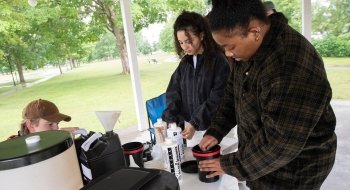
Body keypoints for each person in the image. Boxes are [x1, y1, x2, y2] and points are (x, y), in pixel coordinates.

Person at [198, 0, 337, 189]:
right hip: (262, 161)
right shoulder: (246, 50)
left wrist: (230, 164)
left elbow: (280, 142)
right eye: (223, 48)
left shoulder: (289, 63)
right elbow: (234, 92)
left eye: (230, 47)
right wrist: (217, 130)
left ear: (254, 32)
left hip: (296, 170)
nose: (228, 54)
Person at [162, 11, 230, 141]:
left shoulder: (218, 61)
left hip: (216, 130)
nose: (184, 47)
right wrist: (171, 120)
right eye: (181, 43)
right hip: (191, 130)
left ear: (202, 35)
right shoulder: (185, 63)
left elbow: (217, 98)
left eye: (188, 41)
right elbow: (173, 93)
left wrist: (195, 122)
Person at [8, 99, 78, 139]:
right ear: (30, 125)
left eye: (57, 123)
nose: (56, 128)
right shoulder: (16, 151)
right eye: (50, 124)